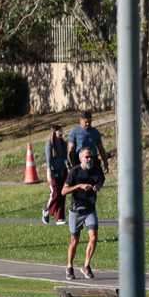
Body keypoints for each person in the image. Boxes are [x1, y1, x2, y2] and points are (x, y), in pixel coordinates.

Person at [62, 145, 105, 280]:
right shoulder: (74, 172)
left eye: (91, 156)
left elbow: (101, 181)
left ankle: (86, 265)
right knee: (74, 240)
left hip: (90, 209)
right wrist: (79, 186)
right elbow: (64, 191)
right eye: (86, 157)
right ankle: (69, 266)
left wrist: (97, 186)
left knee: (93, 237)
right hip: (76, 210)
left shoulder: (97, 170)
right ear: (81, 158)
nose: (89, 159)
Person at [66, 110, 109, 175]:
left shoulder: (95, 132)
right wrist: (72, 165)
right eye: (86, 122)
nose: (88, 124)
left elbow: (101, 148)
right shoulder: (74, 132)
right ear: (80, 120)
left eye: (90, 122)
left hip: (93, 159)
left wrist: (105, 163)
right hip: (80, 161)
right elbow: (70, 150)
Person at [42, 126, 69, 225]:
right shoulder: (49, 144)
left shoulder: (63, 143)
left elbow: (65, 157)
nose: (61, 133)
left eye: (62, 131)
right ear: (54, 132)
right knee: (55, 193)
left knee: (63, 193)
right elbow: (48, 161)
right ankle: (46, 210)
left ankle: (60, 217)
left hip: (63, 171)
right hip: (53, 172)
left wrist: (68, 167)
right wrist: (49, 173)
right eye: (59, 131)